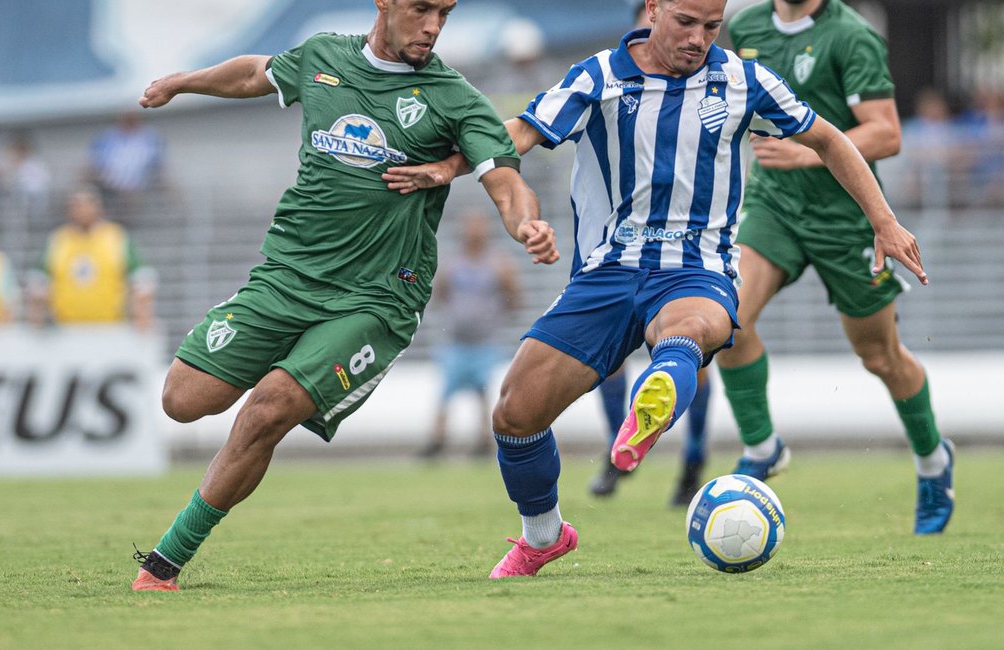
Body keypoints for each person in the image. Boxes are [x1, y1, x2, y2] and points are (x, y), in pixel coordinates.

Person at [384, 0, 927, 578]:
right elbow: (519, 131)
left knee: (691, 328)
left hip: (697, 268)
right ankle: (543, 535)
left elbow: (831, 140)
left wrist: (884, 221)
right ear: (653, 10)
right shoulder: (599, 75)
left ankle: (662, 387)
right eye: (687, 23)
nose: (699, 39)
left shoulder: (743, 79)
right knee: (516, 415)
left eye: (712, 27)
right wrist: (447, 166)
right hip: (607, 272)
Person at [129, 0, 559, 592]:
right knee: (183, 398)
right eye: (421, 10)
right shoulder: (324, 56)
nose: (433, 26)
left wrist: (525, 225)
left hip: (375, 299)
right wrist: (183, 82)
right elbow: (257, 73)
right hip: (286, 276)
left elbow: (504, 177)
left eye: (445, 13)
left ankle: (164, 564)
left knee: (267, 410)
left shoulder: (454, 98)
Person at [719, 0, 954, 535]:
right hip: (773, 205)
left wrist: (808, 152)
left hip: (846, 217)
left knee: (879, 355)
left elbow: (887, 133)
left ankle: (934, 461)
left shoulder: (852, 36)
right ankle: (762, 446)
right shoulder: (746, 25)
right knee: (727, 321)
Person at [588, 0, 713, 509]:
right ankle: (620, 445)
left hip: (693, 244)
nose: (693, 35)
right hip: (619, 244)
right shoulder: (617, 65)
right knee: (609, 362)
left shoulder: (710, 65)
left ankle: (693, 460)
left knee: (690, 352)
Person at [420, 210, 521, 459]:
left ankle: (484, 441)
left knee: (484, 392)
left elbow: (514, 297)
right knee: (446, 392)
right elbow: (440, 293)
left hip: (485, 341)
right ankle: (437, 439)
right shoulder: (453, 263)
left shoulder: (498, 263)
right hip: (457, 341)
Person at [27, 189, 156, 330]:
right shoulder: (58, 240)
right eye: (76, 206)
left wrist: (142, 313)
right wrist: (37, 315)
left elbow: (141, 278)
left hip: (109, 329)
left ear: (97, 207)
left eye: (85, 204)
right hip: (66, 331)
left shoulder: (116, 238)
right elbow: (38, 282)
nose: (80, 210)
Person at [86, 112, 165, 219]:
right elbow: (97, 161)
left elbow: (156, 163)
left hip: (143, 182)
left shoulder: (149, 137)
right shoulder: (107, 137)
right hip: (109, 183)